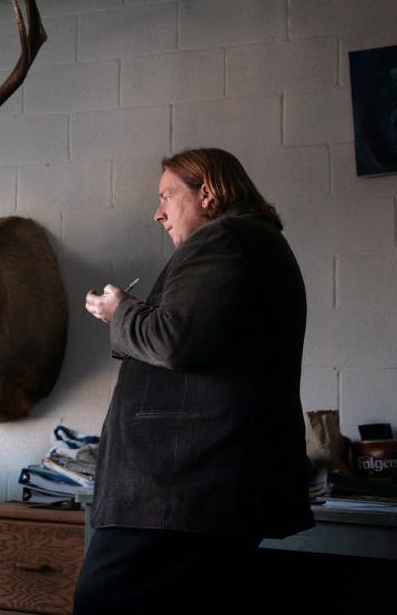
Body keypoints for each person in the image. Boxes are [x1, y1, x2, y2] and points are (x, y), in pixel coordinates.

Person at [76, 148, 312, 615]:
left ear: (207, 193)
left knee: (101, 600)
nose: (158, 212)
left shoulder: (223, 239)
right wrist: (128, 315)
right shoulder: (254, 242)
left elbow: (173, 340)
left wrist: (121, 311)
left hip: (180, 492)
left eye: (167, 196)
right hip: (203, 494)